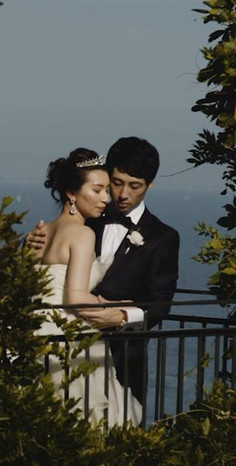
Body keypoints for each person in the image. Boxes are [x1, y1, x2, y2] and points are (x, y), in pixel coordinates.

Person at [27, 136, 180, 404]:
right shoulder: (89, 218)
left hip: (122, 357)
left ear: (150, 184)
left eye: (135, 186)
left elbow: (161, 302)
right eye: (117, 183)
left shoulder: (162, 237)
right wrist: (29, 241)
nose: (122, 194)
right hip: (64, 344)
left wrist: (121, 315)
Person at [31, 147, 142, 426]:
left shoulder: (40, 234)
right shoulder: (81, 234)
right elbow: (75, 299)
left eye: (107, 189)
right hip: (68, 340)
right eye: (97, 190)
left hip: (33, 335)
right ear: (72, 192)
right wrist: (120, 309)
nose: (107, 198)